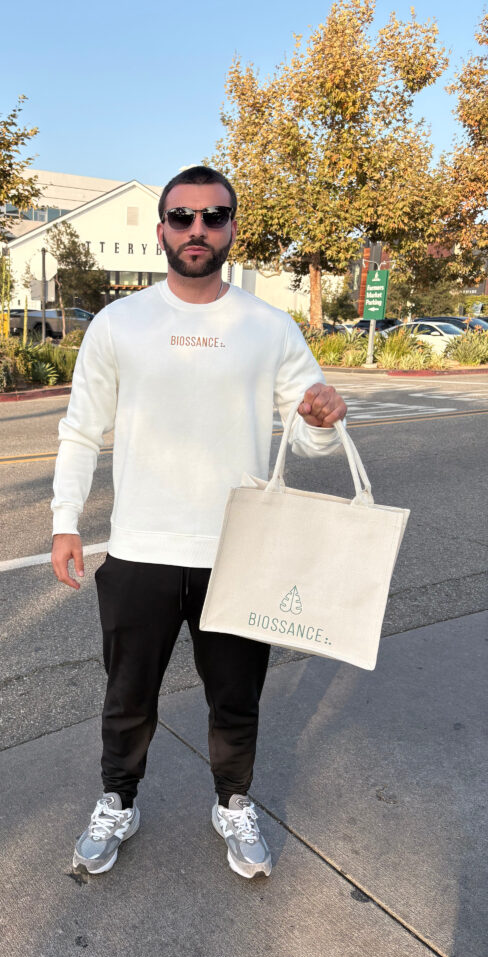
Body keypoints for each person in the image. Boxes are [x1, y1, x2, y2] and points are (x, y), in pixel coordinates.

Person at [50, 165, 347, 879]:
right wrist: (66, 521)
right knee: (128, 698)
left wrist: (321, 420)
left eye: (213, 217)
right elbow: (81, 430)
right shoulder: (120, 324)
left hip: (240, 549)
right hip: (141, 550)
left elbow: (308, 436)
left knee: (236, 698)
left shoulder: (267, 326)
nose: (197, 229)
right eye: (182, 217)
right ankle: (118, 800)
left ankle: (234, 802)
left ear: (232, 228)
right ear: (162, 229)